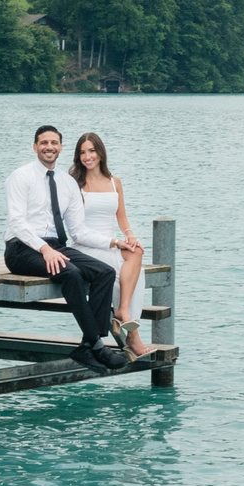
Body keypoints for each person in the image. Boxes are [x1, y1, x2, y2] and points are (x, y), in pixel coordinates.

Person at [2, 124, 128, 372]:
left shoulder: (67, 182)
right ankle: (97, 345)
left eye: (54, 143)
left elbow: (78, 231)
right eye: (44, 142)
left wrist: (112, 242)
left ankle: (88, 344)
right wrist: (43, 249)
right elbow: (16, 223)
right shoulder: (20, 176)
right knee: (71, 273)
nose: (49, 147)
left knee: (105, 272)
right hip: (21, 248)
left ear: (60, 148)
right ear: (35, 147)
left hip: (56, 245)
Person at [69, 131, 153, 358]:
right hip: (86, 245)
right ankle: (133, 337)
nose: (87, 156)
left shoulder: (115, 182)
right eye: (82, 152)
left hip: (112, 241)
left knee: (136, 254)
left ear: (100, 152)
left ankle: (123, 311)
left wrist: (129, 235)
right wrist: (115, 242)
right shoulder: (75, 184)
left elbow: (122, 216)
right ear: (78, 157)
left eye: (92, 151)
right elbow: (76, 229)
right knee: (123, 277)